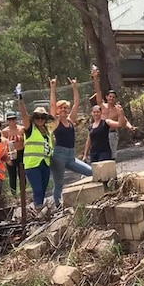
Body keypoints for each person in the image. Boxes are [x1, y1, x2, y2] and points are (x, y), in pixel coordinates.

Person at [49, 76, 92, 206]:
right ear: (57, 110)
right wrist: (52, 88)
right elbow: (52, 104)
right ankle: (57, 204)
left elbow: (77, 103)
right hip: (59, 155)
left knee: (90, 172)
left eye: (65, 108)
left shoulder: (70, 120)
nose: (63, 110)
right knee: (59, 183)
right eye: (60, 108)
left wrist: (74, 87)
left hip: (71, 156)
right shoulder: (55, 122)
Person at [18, 87, 54, 209]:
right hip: (32, 165)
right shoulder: (30, 129)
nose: (40, 120)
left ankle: (42, 210)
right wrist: (20, 99)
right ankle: (38, 210)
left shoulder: (47, 131)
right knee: (37, 189)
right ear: (34, 118)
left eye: (42, 117)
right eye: (37, 117)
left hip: (45, 163)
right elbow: (24, 115)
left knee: (44, 189)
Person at [91, 68, 134, 161]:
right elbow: (98, 92)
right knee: (99, 154)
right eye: (110, 96)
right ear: (106, 97)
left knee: (111, 156)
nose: (111, 98)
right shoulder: (102, 106)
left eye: (113, 97)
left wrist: (130, 127)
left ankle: (111, 171)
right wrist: (95, 78)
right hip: (101, 133)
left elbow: (124, 120)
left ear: (116, 99)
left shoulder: (117, 109)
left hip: (112, 134)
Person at [2, 112, 25, 195]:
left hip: (21, 152)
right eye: (9, 119)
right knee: (12, 175)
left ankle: (23, 193)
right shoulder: (5, 131)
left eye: (13, 119)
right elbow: (3, 144)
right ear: (7, 121)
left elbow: (25, 141)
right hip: (11, 154)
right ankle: (14, 194)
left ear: (16, 119)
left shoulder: (21, 129)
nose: (12, 121)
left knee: (22, 174)